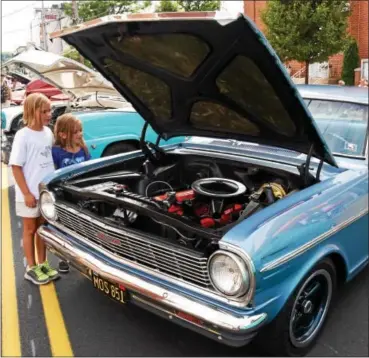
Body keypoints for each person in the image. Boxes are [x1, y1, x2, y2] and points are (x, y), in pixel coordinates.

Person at [9, 93, 59, 285]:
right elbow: (16, 166)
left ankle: (43, 263)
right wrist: (27, 193)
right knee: (30, 229)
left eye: (50, 110)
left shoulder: (48, 132)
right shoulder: (23, 136)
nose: (49, 114)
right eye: (44, 111)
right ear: (32, 111)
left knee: (42, 228)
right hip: (28, 194)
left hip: (44, 193)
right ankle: (31, 267)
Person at [52, 113, 91, 273]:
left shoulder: (83, 149)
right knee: (65, 228)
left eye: (80, 130)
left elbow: (89, 169)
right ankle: (64, 257)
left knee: (84, 226)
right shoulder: (56, 152)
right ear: (62, 134)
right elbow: (52, 173)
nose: (80, 134)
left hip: (82, 195)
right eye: (75, 132)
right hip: (65, 196)